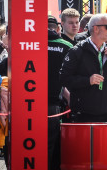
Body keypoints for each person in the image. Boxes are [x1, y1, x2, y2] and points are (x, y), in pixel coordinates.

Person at [60, 13, 107, 122]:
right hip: (82, 115)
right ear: (96, 29)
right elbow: (64, 78)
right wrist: (88, 81)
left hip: (106, 113)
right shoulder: (77, 51)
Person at [47, 15, 72, 170]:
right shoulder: (66, 46)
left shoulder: (29, 44)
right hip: (54, 106)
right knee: (51, 146)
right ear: (58, 28)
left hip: (27, 103)